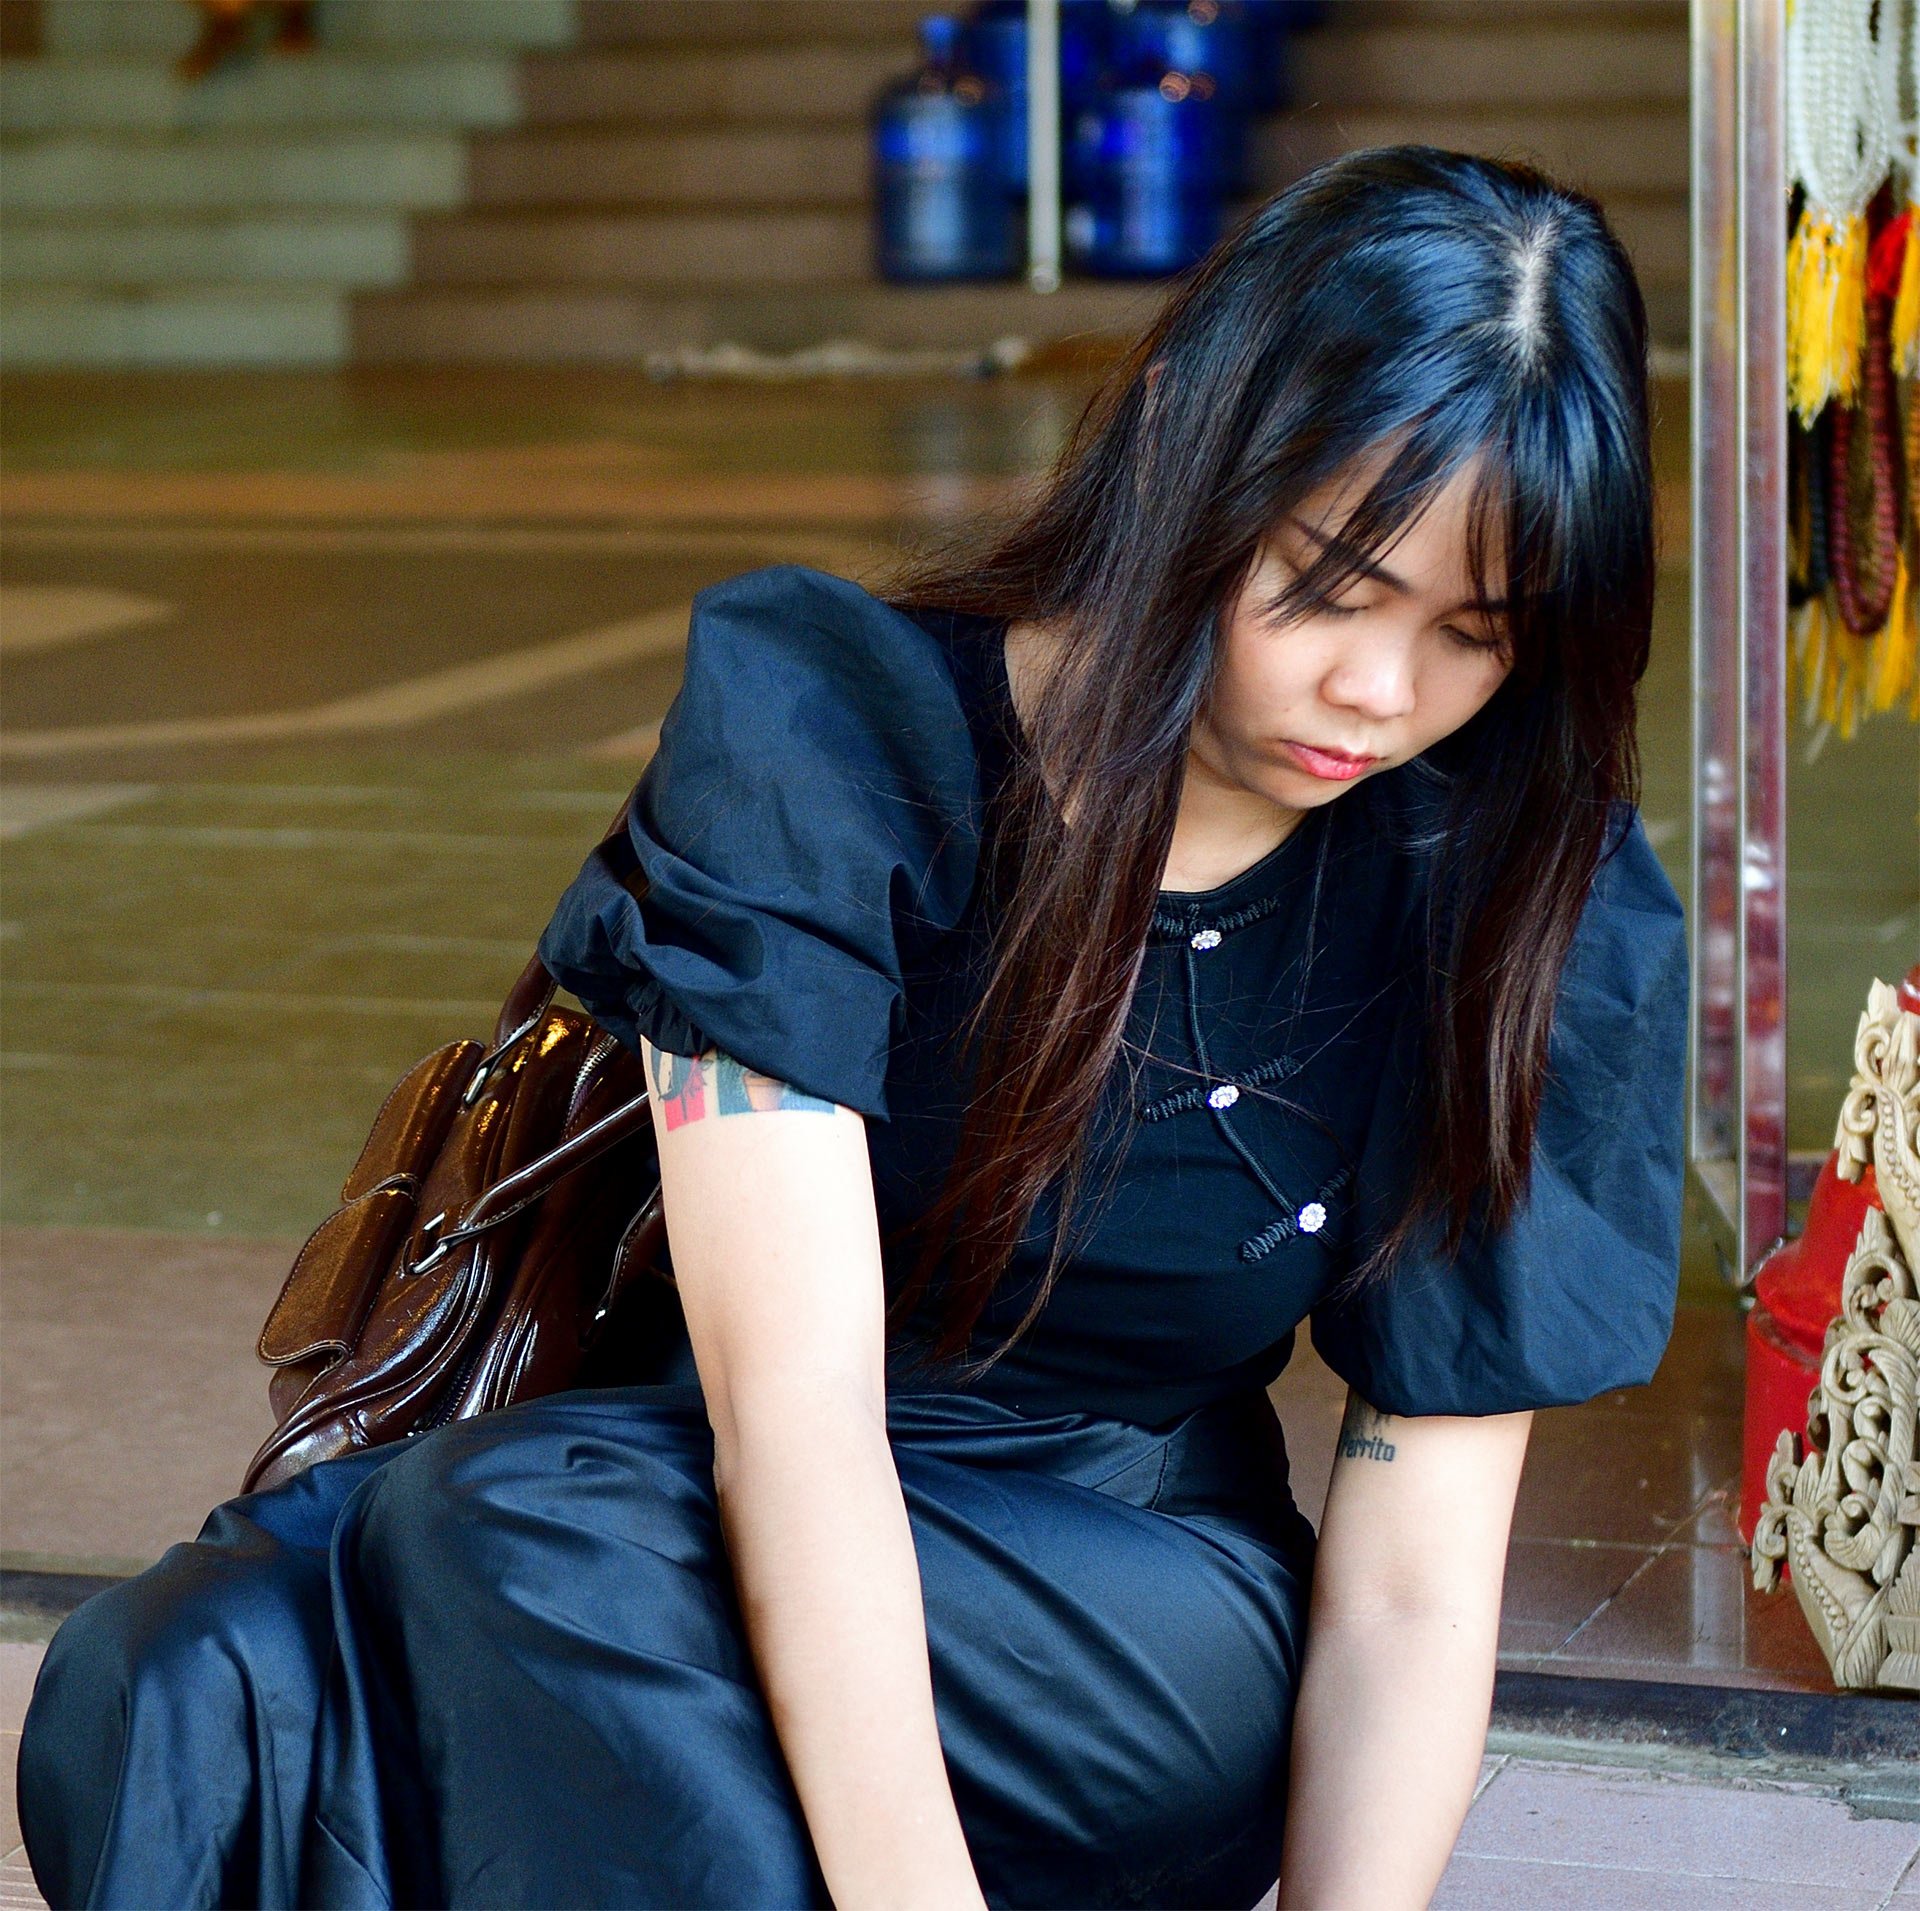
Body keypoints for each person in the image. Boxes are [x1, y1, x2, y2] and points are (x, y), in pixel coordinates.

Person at [17, 144, 1687, 1910]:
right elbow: (793, 1422)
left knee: (513, 1538)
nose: (1380, 690)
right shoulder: (836, 739)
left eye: (1475, 637)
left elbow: (1420, 1575)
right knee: (180, 1693)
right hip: (702, 1491)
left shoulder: (1517, 890)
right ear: (1195, 444)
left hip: (1127, 1604)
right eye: (1333, 585)